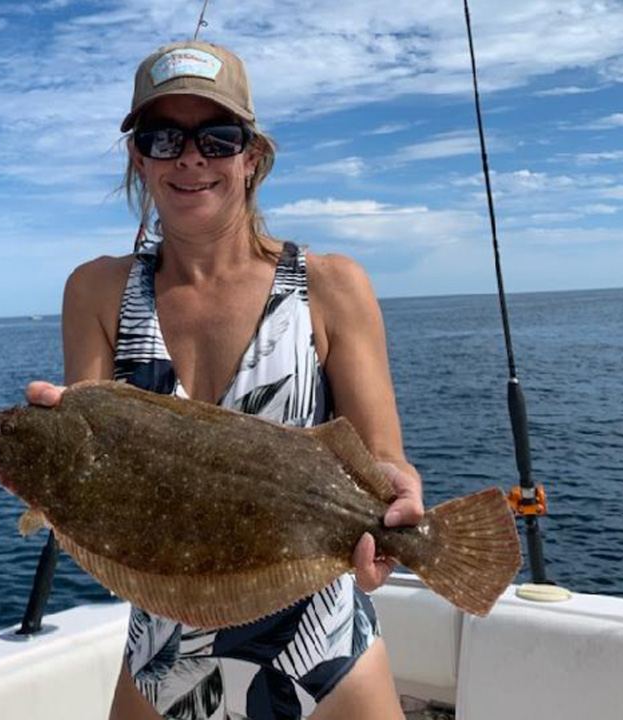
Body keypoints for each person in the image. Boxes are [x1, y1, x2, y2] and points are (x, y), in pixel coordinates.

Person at [27, 39, 423, 720]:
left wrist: (396, 498)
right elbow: (91, 471)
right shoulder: (95, 292)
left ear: (252, 157)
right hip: (162, 661)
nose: (190, 158)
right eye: (162, 137)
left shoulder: (331, 287)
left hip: (322, 660)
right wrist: (44, 458)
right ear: (137, 159)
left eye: (216, 136)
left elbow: (381, 460)